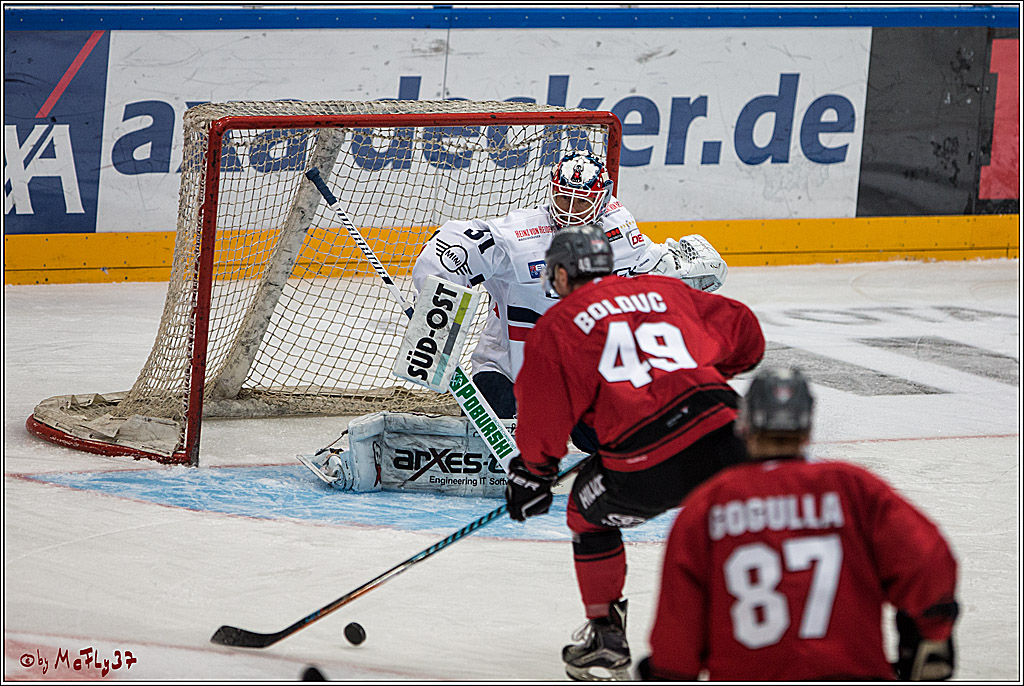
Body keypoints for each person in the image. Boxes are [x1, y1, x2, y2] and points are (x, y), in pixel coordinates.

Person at [503, 224, 765, 681]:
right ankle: (775, 623)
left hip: (647, 461)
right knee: (744, 520)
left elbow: (543, 412)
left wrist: (534, 472)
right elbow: (746, 335)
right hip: (728, 434)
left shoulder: (559, 324)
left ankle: (605, 638)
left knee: (586, 513)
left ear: (563, 274)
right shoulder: (665, 289)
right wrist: (705, 370)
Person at [639, 367, 960, 681]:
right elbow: (929, 561)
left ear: (745, 426)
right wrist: (932, 630)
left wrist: (668, 674)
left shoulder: (708, 504)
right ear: (807, 428)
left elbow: (678, 625)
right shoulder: (854, 488)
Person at [411, 151, 728, 436]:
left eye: (582, 202)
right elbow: (451, 247)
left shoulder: (619, 228)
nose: (571, 212)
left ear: (602, 200)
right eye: (564, 199)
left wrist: (691, 274)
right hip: (509, 369)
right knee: (507, 433)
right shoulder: (520, 237)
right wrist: (437, 317)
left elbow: (651, 263)